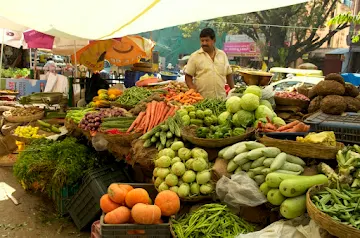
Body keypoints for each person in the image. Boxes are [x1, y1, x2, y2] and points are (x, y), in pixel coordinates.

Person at [185, 28, 234, 99]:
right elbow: (188, 76)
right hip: (202, 100)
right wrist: (193, 90)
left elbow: (228, 73)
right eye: (202, 41)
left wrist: (233, 90)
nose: (204, 43)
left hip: (221, 99)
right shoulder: (195, 56)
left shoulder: (222, 54)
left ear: (214, 40)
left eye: (207, 40)